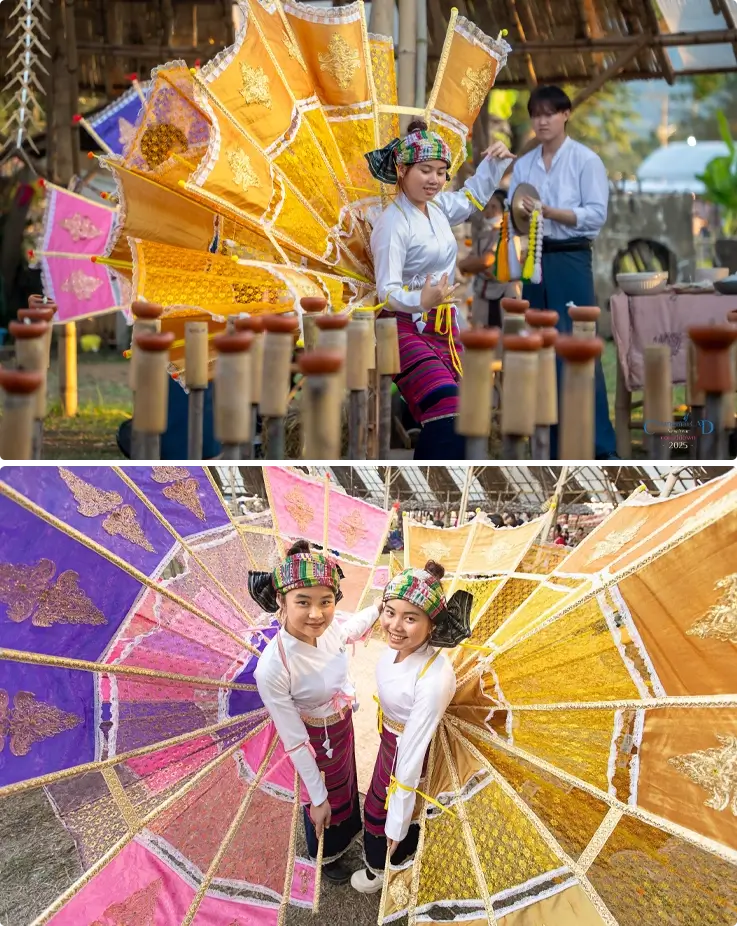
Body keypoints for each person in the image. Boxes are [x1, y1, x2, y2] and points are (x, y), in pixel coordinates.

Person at [366, 121, 514, 463]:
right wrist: (421, 300)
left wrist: (494, 162)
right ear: (402, 171)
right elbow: (385, 290)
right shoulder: (392, 223)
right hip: (401, 327)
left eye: (441, 171)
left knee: (468, 411)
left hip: (443, 325)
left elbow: (472, 197)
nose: (434, 179)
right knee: (449, 406)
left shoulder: (438, 208)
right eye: (425, 170)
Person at [249, 540, 379, 884]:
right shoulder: (273, 668)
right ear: (281, 600)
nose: (316, 613)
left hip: (341, 727)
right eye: (302, 602)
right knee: (324, 798)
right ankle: (325, 855)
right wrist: (316, 798)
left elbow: (349, 630)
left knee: (347, 784)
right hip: (312, 742)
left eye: (326, 601)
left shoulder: (329, 628)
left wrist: (381, 607)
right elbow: (294, 742)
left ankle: (348, 832)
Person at [506, 85, 617, 462]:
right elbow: (516, 219)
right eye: (536, 114)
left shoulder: (586, 161)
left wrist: (551, 213)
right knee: (541, 347)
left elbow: (595, 216)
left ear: (566, 114)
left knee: (578, 346)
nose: (542, 121)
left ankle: (599, 445)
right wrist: (522, 212)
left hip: (571, 258)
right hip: (534, 262)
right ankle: (549, 446)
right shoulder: (523, 165)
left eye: (550, 113)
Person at [350, 560, 473, 893]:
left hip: (409, 756)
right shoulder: (396, 650)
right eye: (390, 612)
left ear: (432, 624)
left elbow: (413, 752)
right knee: (376, 803)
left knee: (385, 811)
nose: (395, 626)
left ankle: (384, 869)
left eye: (410, 618)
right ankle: (386, 860)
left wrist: (397, 821)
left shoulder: (434, 677)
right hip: (389, 743)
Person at [458, 188, 516, 329]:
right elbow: (463, 265)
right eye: (486, 207)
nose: (489, 211)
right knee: (481, 335)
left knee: (500, 337)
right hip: (482, 294)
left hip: (502, 294)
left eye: (494, 207)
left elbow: (486, 261)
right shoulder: (483, 235)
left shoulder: (507, 235)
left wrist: (475, 265)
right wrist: (472, 264)